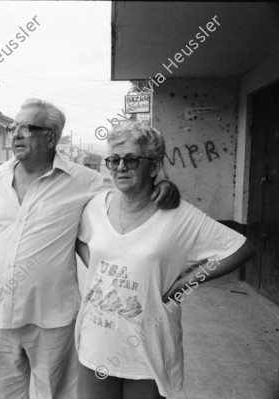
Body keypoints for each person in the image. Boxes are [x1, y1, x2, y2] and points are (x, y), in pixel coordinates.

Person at [0, 98, 179, 399]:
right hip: (0, 315)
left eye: (26, 128)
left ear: (51, 137)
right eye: (13, 127)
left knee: (55, 394)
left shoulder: (83, 181)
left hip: (53, 319)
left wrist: (162, 181)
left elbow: (130, 184)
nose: (15, 133)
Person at [74, 122, 255, 399]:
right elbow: (77, 238)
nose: (120, 167)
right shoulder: (95, 206)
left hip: (148, 350)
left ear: (155, 166)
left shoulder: (180, 216)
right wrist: (98, 270)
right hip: (96, 343)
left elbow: (240, 249)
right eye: (113, 160)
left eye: (131, 159)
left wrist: (185, 283)